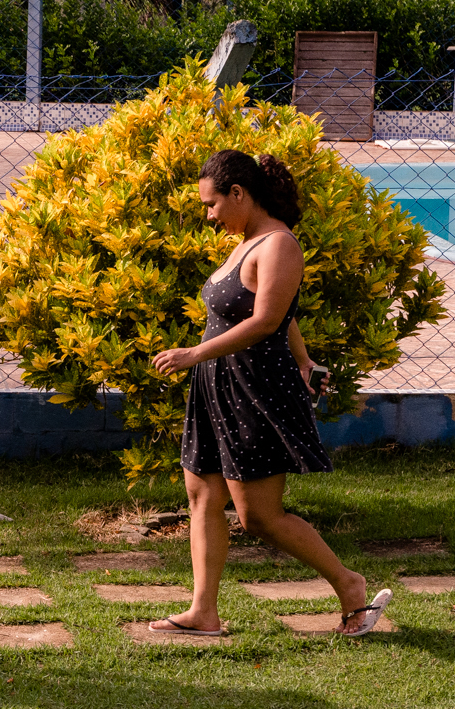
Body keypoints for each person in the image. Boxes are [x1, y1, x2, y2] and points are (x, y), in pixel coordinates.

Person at [150, 149, 391, 638]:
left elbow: (266, 320)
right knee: (202, 495)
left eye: (212, 204)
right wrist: (305, 361)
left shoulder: (279, 244)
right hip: (217, 387)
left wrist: (195, 354)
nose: (209, 215)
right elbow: (282, 312)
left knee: (259, 516)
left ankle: (349, 585)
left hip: (254, 389)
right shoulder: (246, 243)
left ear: (238, 193)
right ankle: (203, 611)